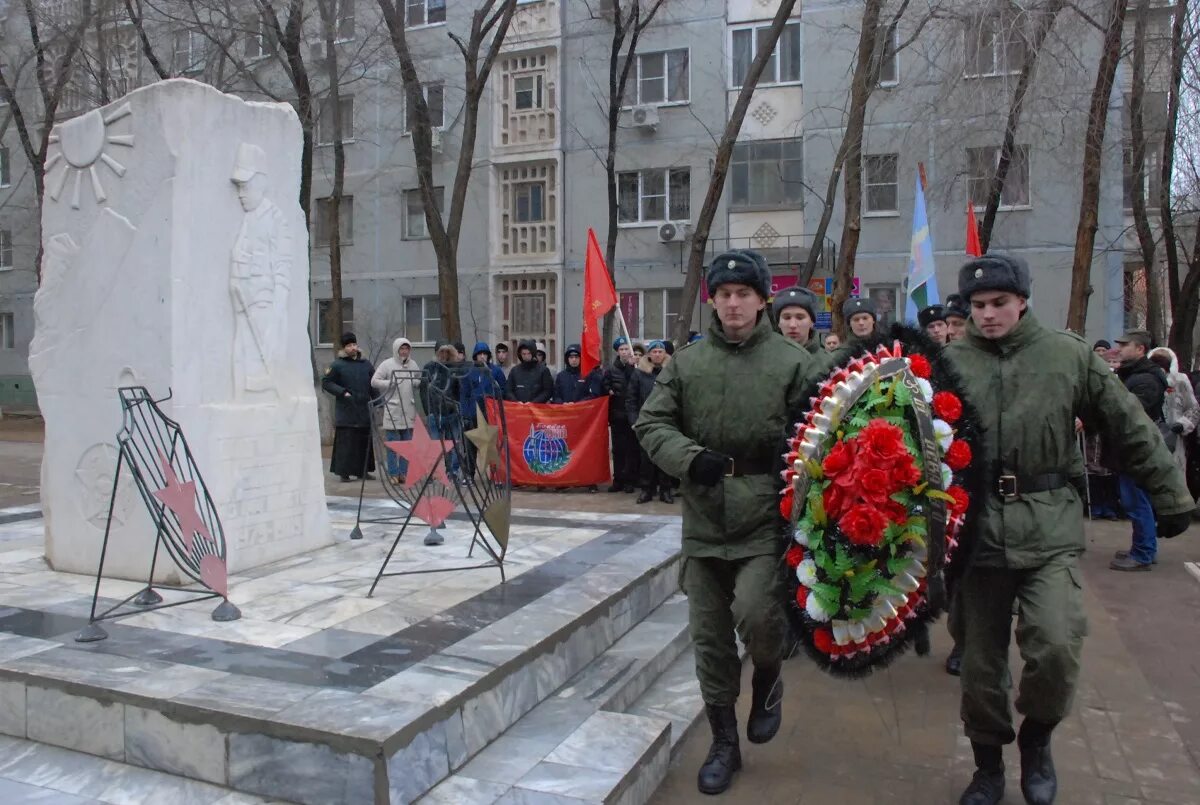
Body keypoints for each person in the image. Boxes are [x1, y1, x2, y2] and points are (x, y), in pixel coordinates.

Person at [944, 254, 1192, 805]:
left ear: (1023, 301)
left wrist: (1170, 496)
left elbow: (1127, 423)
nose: (988, 315)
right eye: (979, 306)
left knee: (1057, 644)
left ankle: (1037, 738)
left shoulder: (1067, 356)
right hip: (976, 533)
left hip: (1048, 526)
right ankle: (988, 766)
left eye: (999, 304)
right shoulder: (945, 364)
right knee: (980, 665)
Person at [635, 250, 815, 796]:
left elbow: (820, 433)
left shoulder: (793, 363)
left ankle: (766, 678)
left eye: (744, 293)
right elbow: (652, 423)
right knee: (710, 639)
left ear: (763, 299)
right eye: (724, 294)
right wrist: (690, 458)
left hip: (766, 516)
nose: (733, 304)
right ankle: (723, 742)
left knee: (762, 616)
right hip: (706, 516)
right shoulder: (688, 363)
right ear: (713, 300)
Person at [1109, 330, 1172, 571]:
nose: (1120, 349)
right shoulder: (1134, 375)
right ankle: (1143, 547)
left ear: (1140, 350)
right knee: (1135, 499)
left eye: (1125, 345)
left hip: (1138, 449)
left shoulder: (1145, 380)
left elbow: (1132, 414)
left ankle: (1144, 552)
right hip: (1132, 448)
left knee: (1137, 500)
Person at [322, 332, 377, 482]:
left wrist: (377, 401)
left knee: (364, 443)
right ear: (344, 348)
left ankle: (363, 471)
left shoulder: (366, 364)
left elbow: (373, 384)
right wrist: (342, 392)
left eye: (354, 344)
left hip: (363, 410)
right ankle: (344, 473)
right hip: (346, 411)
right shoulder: (337, 365)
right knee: (346, 444)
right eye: (349, 345)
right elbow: (326, 382)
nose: (352, 348)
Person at [627, 341, 675, 504]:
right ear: (649, 354)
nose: (657, 354)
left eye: (660, 351)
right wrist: (634, 420)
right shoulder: (639, 374)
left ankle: (666, 490)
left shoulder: (672, 372)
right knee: (646, 458)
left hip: (667, 421)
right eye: (654, 351)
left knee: (665, 457)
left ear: (665, 354)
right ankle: (646, 490)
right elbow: (631, 400)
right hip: (645, 421)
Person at [371, 337, 421, 484]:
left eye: (407, 349)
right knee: (393, 444)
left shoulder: (413, 364)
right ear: (396, 349)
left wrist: (415, 381)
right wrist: (390, 383)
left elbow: (419, 380)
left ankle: (403, 473)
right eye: (402, 349)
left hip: (408, 410)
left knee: (407, 445)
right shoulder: (387, 364)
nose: (404, 351)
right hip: (392, 410)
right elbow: (374, 381)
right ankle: (392, 473)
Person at [1148, 347, 1200, 481]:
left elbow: (1193, 408)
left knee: (1174, 477)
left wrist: (1182, 424)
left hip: (1174, 438)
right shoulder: (1146, 380)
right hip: (1149, 435)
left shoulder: (1180, 381)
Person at [420, 343, 465, 486]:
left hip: (452, 413)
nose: (444, 355)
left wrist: (457, 408)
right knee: (434, 446)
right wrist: (429, 411)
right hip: (436, 413)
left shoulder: (456, 368)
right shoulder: (430, 368)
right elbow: (423, 390)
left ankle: (453, 472)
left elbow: (460, 390)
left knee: (454, 445)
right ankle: (432, 473)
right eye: (442, 352)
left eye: (448, 352)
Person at [604, 336, 638, 493]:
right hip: (617, 415)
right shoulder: (611, 370)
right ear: (617, 352)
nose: (624, 352)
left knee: (632, 449)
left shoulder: (635, 368)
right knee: (618, 449)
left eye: (626, 349)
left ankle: (631, 480)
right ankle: (618, 480)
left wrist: (633, 367)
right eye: (622, 349)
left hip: (631, 416)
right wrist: (609, 390)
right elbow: (605, 387)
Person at [772, 286, 820, 353]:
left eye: (800, 318)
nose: (792, 325)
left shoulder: (828, 361)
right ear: (778, 323)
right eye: (787, 318)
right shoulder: (765, 359)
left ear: (812, 322)